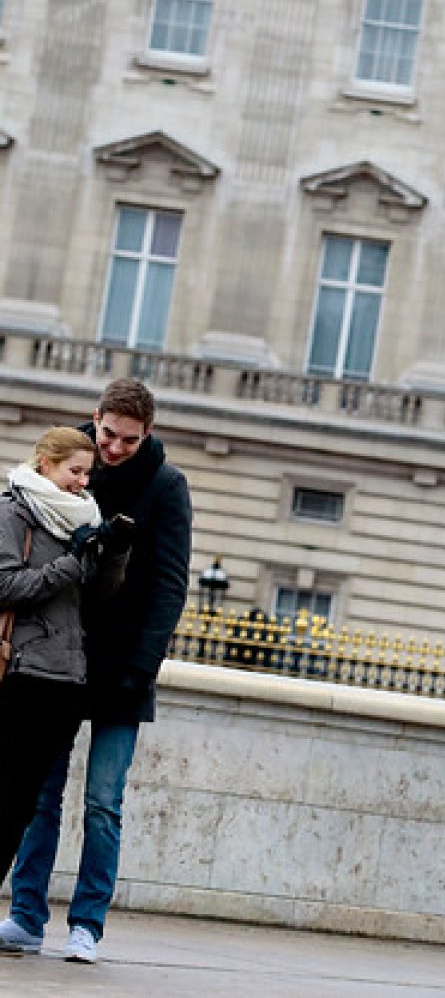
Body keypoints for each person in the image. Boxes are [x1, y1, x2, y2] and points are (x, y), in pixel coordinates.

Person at [0, 379, 192, 964]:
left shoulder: (165, 485)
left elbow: (168, 586)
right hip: (57, 660)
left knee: (104, 802)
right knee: (39, 795)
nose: (111, 450)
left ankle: (87, 925)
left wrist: (143, 667)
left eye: (127, 441)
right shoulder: (65, 466)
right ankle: (26, 916)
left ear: (147, 434)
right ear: (96, 418)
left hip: (121, 667)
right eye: (108, 434)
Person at [0, 429, 130, 922]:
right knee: (3, 798)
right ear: (45, 463)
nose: (82, 482)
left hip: (65, 681)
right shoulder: (14, 511)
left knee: (20, 809)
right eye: (74, 471)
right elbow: (5, 585)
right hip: (20, 674)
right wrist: (73, 562)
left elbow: (94, 598)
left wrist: (112, 553)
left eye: (86, 474)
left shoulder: (84, 517)